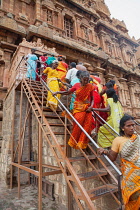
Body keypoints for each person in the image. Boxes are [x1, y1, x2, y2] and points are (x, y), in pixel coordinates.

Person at [98, 114, 140, 210]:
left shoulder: (138, 138)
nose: (132, 128)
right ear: (122, 128)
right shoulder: (118, 140)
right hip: (130, 178)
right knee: (133, 200)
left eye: (133, 125)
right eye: (128, 126)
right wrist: (105, 151)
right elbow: (112, 157)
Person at [53, 71, 94, 149]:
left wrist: (91, 106)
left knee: (87, 126)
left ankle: (81, 143)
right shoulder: (76, 85)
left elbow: (92, 99)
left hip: (87, 109)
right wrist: (58, 92)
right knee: (77, 124)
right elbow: (68, 92)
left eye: (87, 80)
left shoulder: (90, 86)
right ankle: (74, 142)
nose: (86, 82)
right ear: (80, 79)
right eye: (84, 80)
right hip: (78, 108)